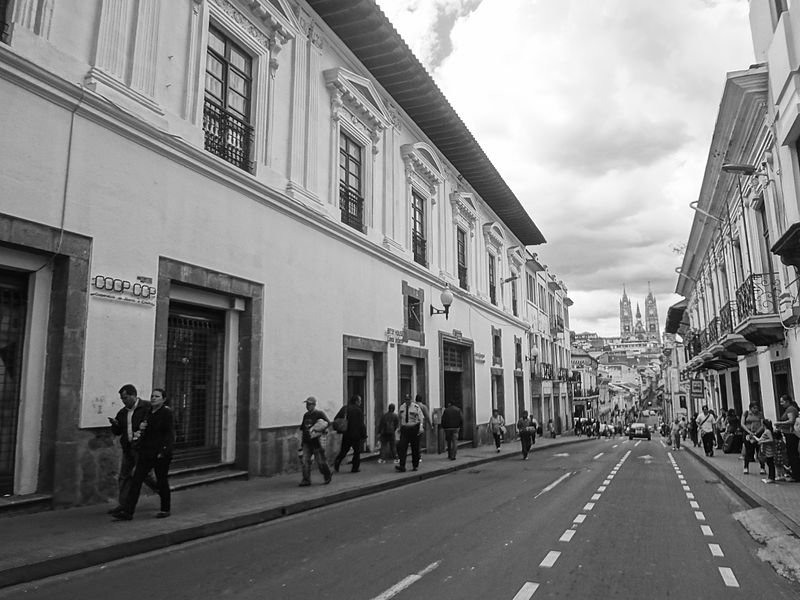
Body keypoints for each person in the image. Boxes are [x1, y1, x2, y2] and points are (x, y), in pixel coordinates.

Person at [113, 388, 175, 520]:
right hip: (146, 451)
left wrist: (164, 451)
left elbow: (169, 434)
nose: (153, 398)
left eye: (157, 396)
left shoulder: (166, 413)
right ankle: (128, 512)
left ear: (163, 399)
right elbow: (143, 429)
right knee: (136, 480)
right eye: (152, 396)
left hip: (160, 453)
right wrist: (141, 429)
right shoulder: (148, 412)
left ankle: (165, 508)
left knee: (162, 480)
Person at [108, 384, 156, 514]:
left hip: (142, 448)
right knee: (124, 476)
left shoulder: (146, 407)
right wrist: (115, 425)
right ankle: (123, 504)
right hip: (128, 448)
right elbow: (118, 432)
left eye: (125, 397)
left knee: (144, 475)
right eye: (122, 399)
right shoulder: (123, 413)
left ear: (134, 395)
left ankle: (160, 490)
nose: (124, 401)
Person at [298, 397, 332, 486]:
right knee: (305, 461)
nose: (308, 406)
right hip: (306, 441)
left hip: (316, 441)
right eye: (307, 404)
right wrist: (301, 441)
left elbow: (327, 423)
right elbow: (303, 428)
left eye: (309, 404)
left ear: (314, 405)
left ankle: (327, 474)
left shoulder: (319, 413)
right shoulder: (306, 415)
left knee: (320, 461)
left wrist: (320, 429)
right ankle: (306, 480)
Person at [334, 395, 367, 473]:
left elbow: (336, 419)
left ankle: (337, 461)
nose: (360, 403)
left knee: (344, 450)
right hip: (356, 434)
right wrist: (364, 435)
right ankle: (355, 468)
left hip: (346, 433)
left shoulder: (345, 408)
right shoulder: (358, 410)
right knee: (357, 452)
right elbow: (361, 424)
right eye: (359, 401)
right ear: (356, 401)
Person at [396, 394, 425, 472]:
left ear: (411, 400)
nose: (407, 401)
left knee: (415, 448)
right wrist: (399, 428)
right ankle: (402, 466)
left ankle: (415, 465)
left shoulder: (416, 407)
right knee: (402, 447)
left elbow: (421, 418)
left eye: (408, 399)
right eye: (406, 399)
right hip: (405, 429)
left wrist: (421, 427)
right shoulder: (402, 407)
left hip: (414, 428)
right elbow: (399, 417)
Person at [774, 394, 800, 482]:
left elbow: (791, 420)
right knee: (791, 454)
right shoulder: (789, 409)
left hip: (791, 434)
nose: (781, 403)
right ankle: (794, 473)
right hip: (788, 434)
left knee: (793, 454)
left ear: (787, 401)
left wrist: (779, 423)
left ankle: (796, 475)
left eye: (782, 401)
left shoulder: (791, 409)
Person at [741, 402, 765, 475]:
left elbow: (762, 424)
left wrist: (756, 432)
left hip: (758, 434)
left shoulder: (760, 414)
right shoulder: (746, 413)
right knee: (748, 451)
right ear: (750, 408)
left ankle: (762, 467)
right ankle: (746, 467)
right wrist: (749, 432)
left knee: (759, 451)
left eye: (757, 408)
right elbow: (742, 424)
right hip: (748, 434)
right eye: (754, 408)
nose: (756, 410)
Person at [756, 419, 777, 484]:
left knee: (770, 463)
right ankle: (770, 477)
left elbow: (771, 439)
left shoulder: (767, 431)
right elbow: (760, 440)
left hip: (769, 450)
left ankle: (771, 478)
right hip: (766, 450)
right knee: (769, 463)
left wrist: (762, 442)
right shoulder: (766, 431)